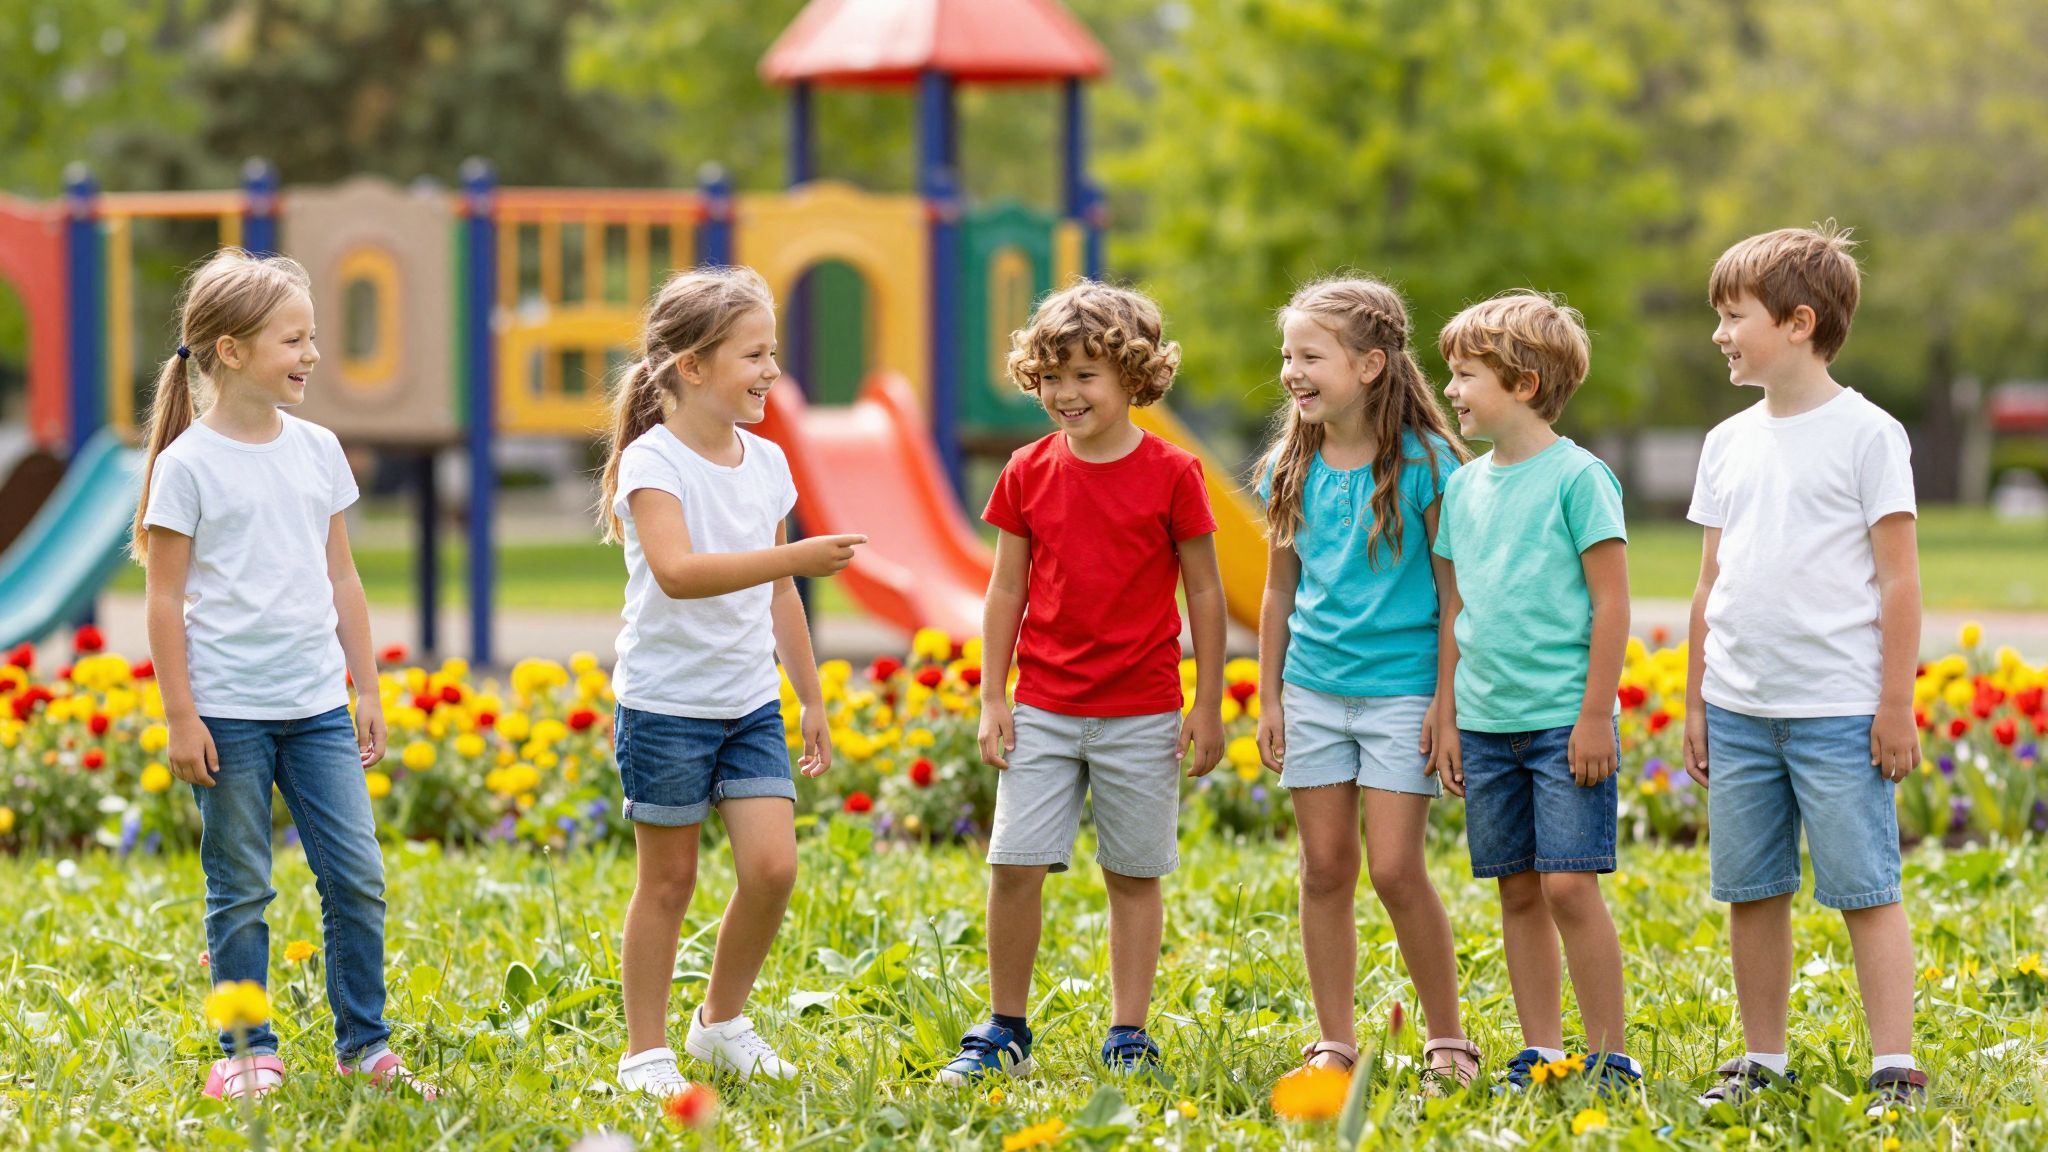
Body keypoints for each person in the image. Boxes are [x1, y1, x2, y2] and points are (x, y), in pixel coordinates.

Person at [136, 249, 432, 1099]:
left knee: (358, 877)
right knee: (240, 889)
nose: (311, 355)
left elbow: (343, 577)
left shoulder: (319, 450)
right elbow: (163, 603)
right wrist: (181, 716)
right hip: (227, 712)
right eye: (292, 339)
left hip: (315, 710)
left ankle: (365, 1045)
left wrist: (366, 686)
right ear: (230, 351)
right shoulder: (187, 464)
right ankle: (246, 1052)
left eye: (312, 338)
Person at [938, 282, 1226, 1083]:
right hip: (1044, 708)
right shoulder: (1028, 471)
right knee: (1014, 867)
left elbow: (1203, 588)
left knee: (1133, 876)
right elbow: (1005, 590)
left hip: (1142, 711)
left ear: (1134, 377)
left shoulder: (1174, 474)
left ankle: (1128, 1031)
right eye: (1051, 377)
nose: (1065, 394)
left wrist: (1206, 702)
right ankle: (1005, 1028)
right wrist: (994, 694)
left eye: (1085, 376)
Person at [598, 266, 863, 1095]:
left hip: (746, 702)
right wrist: (793, 557)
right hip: (665, 706)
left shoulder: (768, 462)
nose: (770, 373)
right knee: (670, 880)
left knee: (773, 869)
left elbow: (782, 593)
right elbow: (678, 572)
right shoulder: (653, 463)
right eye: (754, 355)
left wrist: (810, 696)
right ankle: (645, 1051)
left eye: (772, 352)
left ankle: (719, 1022)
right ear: (692, 366)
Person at [1684, 224, 1925, 1113]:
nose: (1719, 333)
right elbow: (1709, 582)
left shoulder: (1869, 434)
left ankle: (1893, 1063)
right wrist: (1697, 699)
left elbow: (1899, 580)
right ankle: (1762, 1058)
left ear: (1797, 321)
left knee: (1865, 889)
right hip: (1740, 708)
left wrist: (1893, 704)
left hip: (1837, 710)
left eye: (1732, 315)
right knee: (1753, 889)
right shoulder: (1726, 442)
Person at [1253, 277, 1479, 1091]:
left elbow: (1456, 596)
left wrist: (1447, 706)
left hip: (1403, 692)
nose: (1292, 372)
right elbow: (1278, 589)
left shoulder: (1428, 464)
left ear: (1372, 365)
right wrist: (1270, 694)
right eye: (1288, 355)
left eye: (1311, 356)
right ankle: (1334, 1041)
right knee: (1323, 866)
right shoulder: (1289, 462)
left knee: (1394, 869)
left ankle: (1448, 1038)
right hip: (1313, 689)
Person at [1431, 290, 1639, 1092]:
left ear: (1521, 380)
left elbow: (1611, 603)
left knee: (1568, 885)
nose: (1451, 390)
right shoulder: (1462, 488)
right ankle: (1542, 1051)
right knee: (1518, 888)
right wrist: (1448, 718)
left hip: (1562, 724)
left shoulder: (1580, 478)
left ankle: (1609, 1053)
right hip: (1485, 724)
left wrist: (1595, 717)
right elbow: (1457, 611)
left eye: (1464, 374)